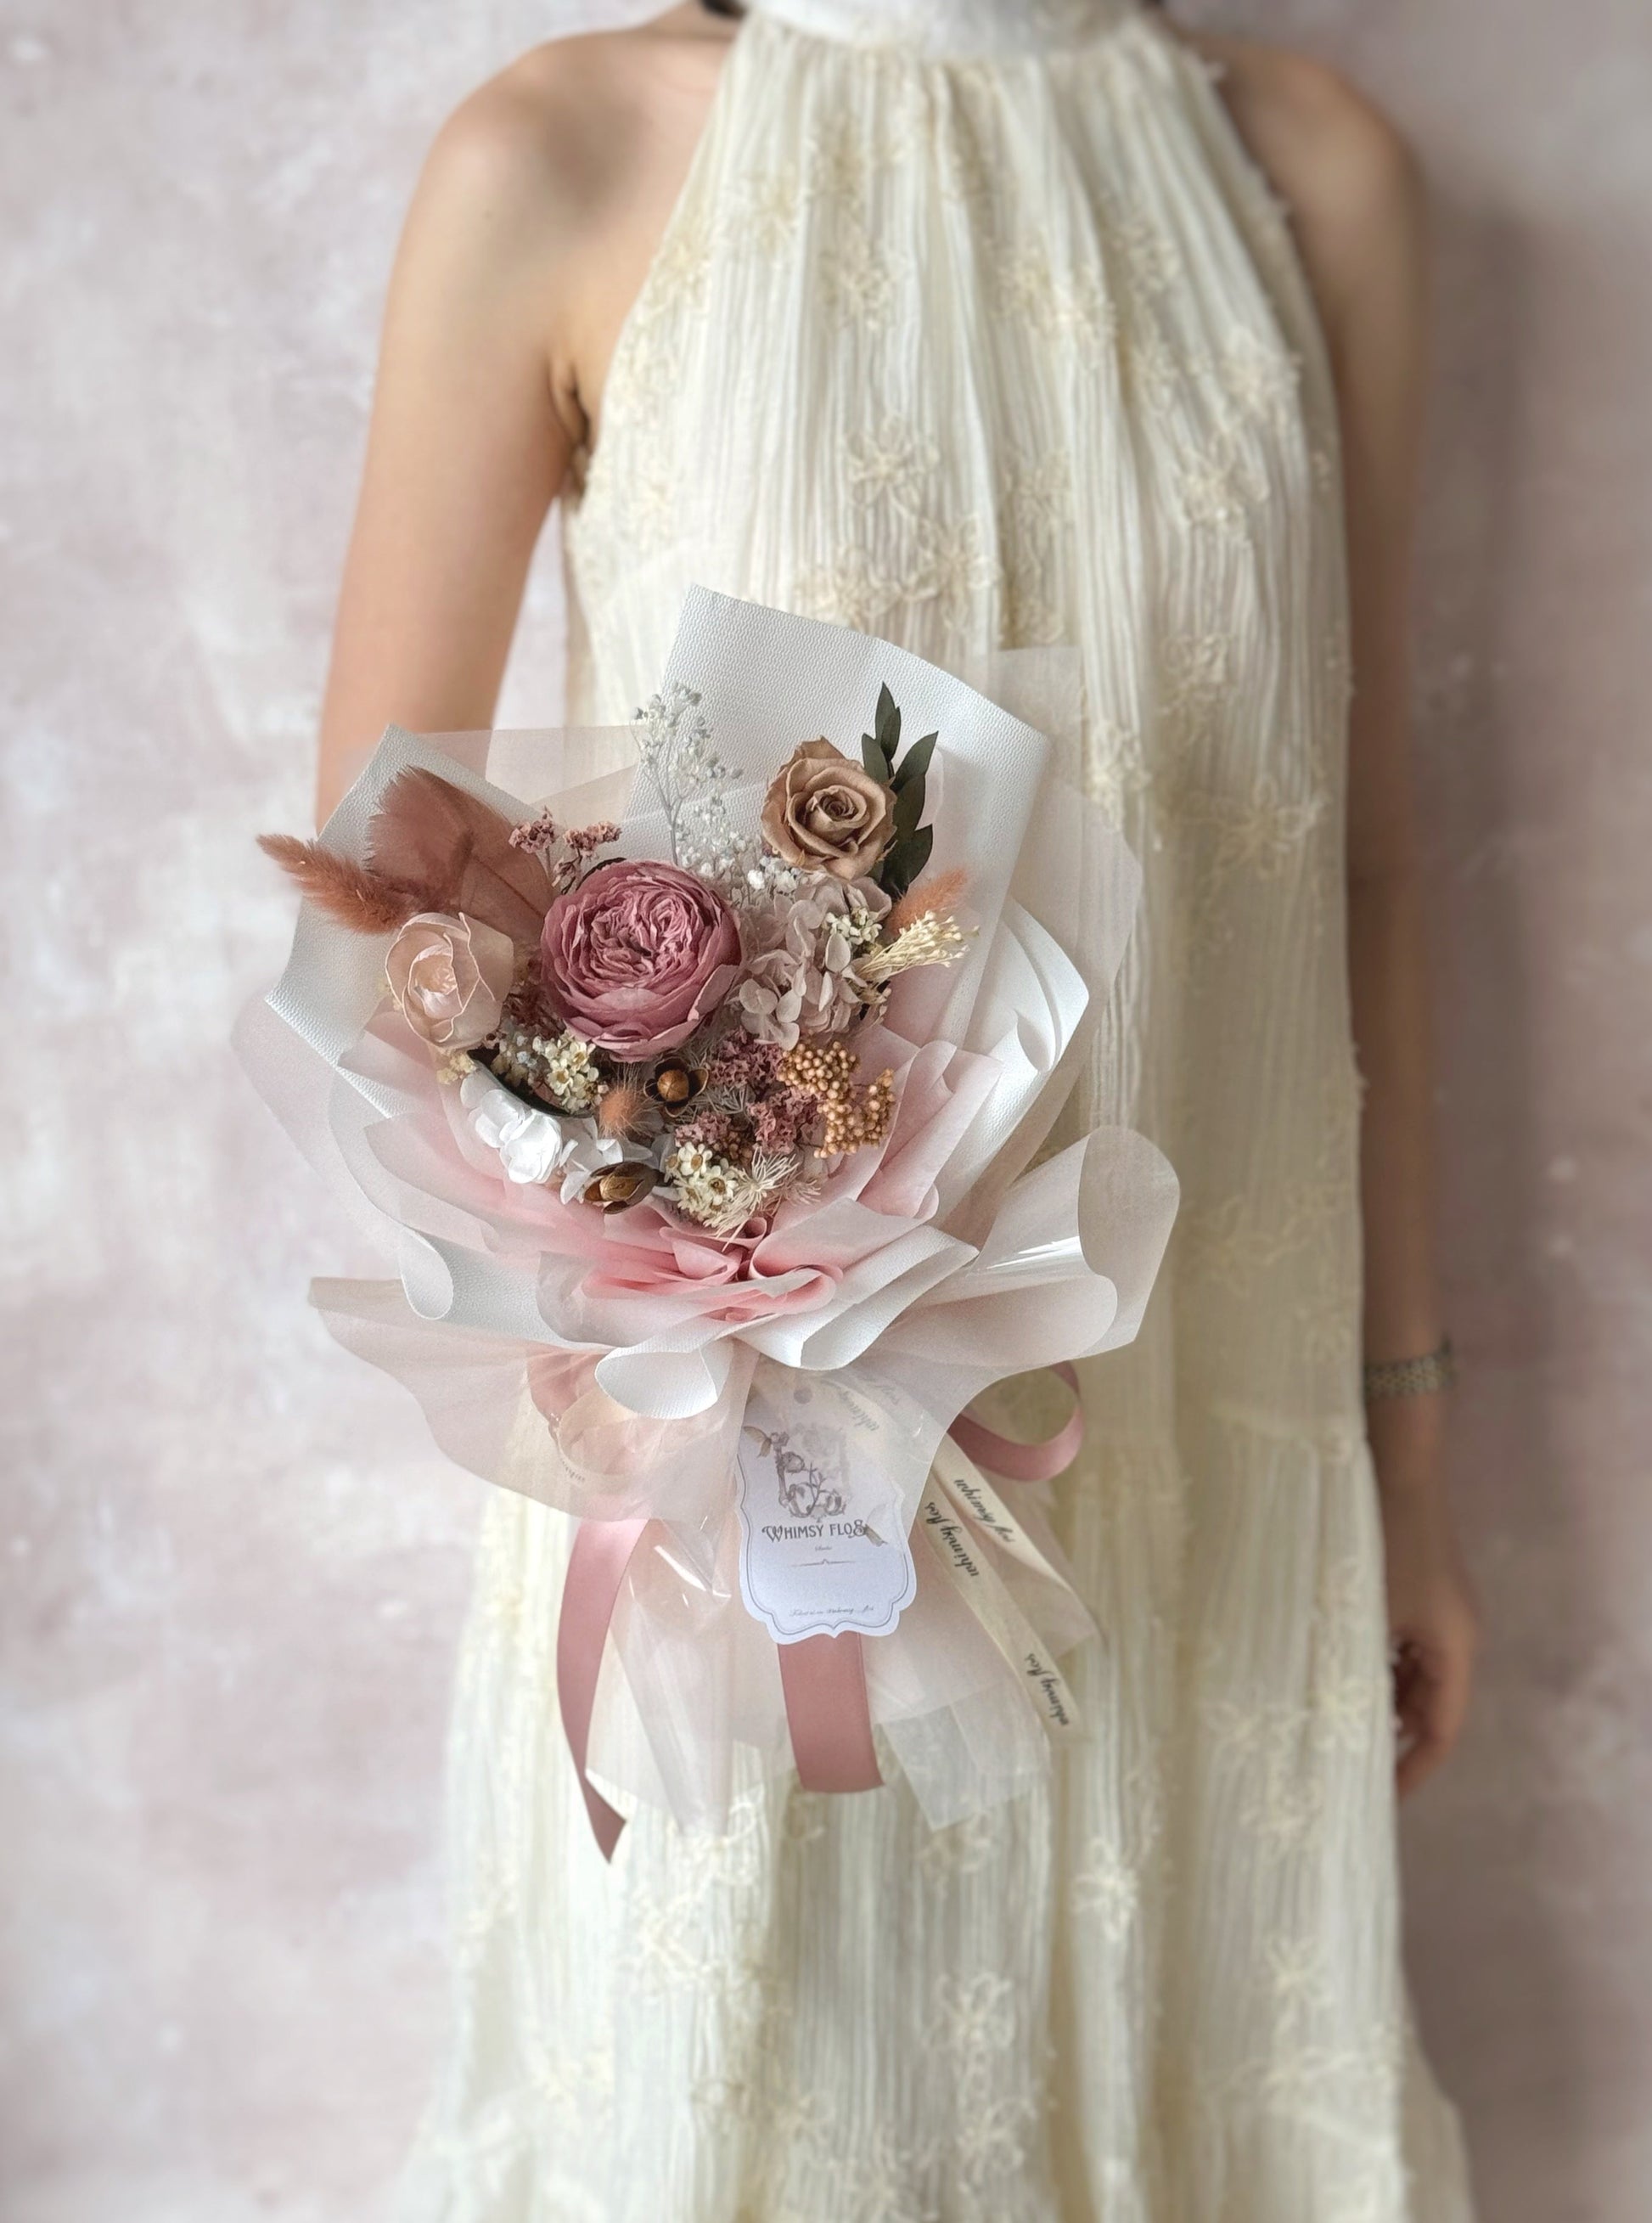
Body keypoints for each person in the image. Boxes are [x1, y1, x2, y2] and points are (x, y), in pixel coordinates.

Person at [316, 2, 1479, 2214]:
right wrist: (663, 1210)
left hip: (1195, 1462)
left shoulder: (1311, 175)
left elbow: (1355, 860)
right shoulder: (560, 153)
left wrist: (1405, 1446)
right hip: (728, 1491)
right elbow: (389, 894)